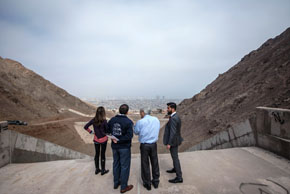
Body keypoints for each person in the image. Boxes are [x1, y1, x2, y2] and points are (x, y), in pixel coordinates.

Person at [108, 104, 134, 193]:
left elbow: (107, 131)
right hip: (124, 148)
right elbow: (129, 136)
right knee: (124, 166)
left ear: (119, 110)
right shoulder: (128, 122)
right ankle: (123, 187)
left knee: (116, 164)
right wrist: (119, 140)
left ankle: (116, 183)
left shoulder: (112, 120)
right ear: (127, 112)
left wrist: (113, 138)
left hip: (114, 147)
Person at [134, 109, 160, 191]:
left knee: (145, 164)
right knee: (155, 162)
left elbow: (136, 132)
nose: (140, 115)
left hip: (145, 145)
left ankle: (147, 183)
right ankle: (156, 182)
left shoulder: (140, 122)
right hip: (153, 144)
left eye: (140, 113)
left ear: (143, 113)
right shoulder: (156, 119)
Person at [84, 106, 109, 175]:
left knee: (97, 154)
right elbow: (107, 130)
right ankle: (103, 170)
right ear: (103, 113)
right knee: (103, 154)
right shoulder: (104, 121)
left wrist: (91, 132)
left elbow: (85, 127)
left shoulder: (93, 120)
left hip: (96, 140)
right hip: (104, 140)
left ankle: (97, 169)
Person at [163, 102, 183, 183]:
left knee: (175, 158)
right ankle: (175, 169)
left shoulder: (174, 118)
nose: (167, 109)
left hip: (173, 141)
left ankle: (179, 177)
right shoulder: (175, 116)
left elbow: (173, 132)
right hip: (176, 140)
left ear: (172, 109)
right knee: (174, 157)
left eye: (168, 108)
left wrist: (169, 143)